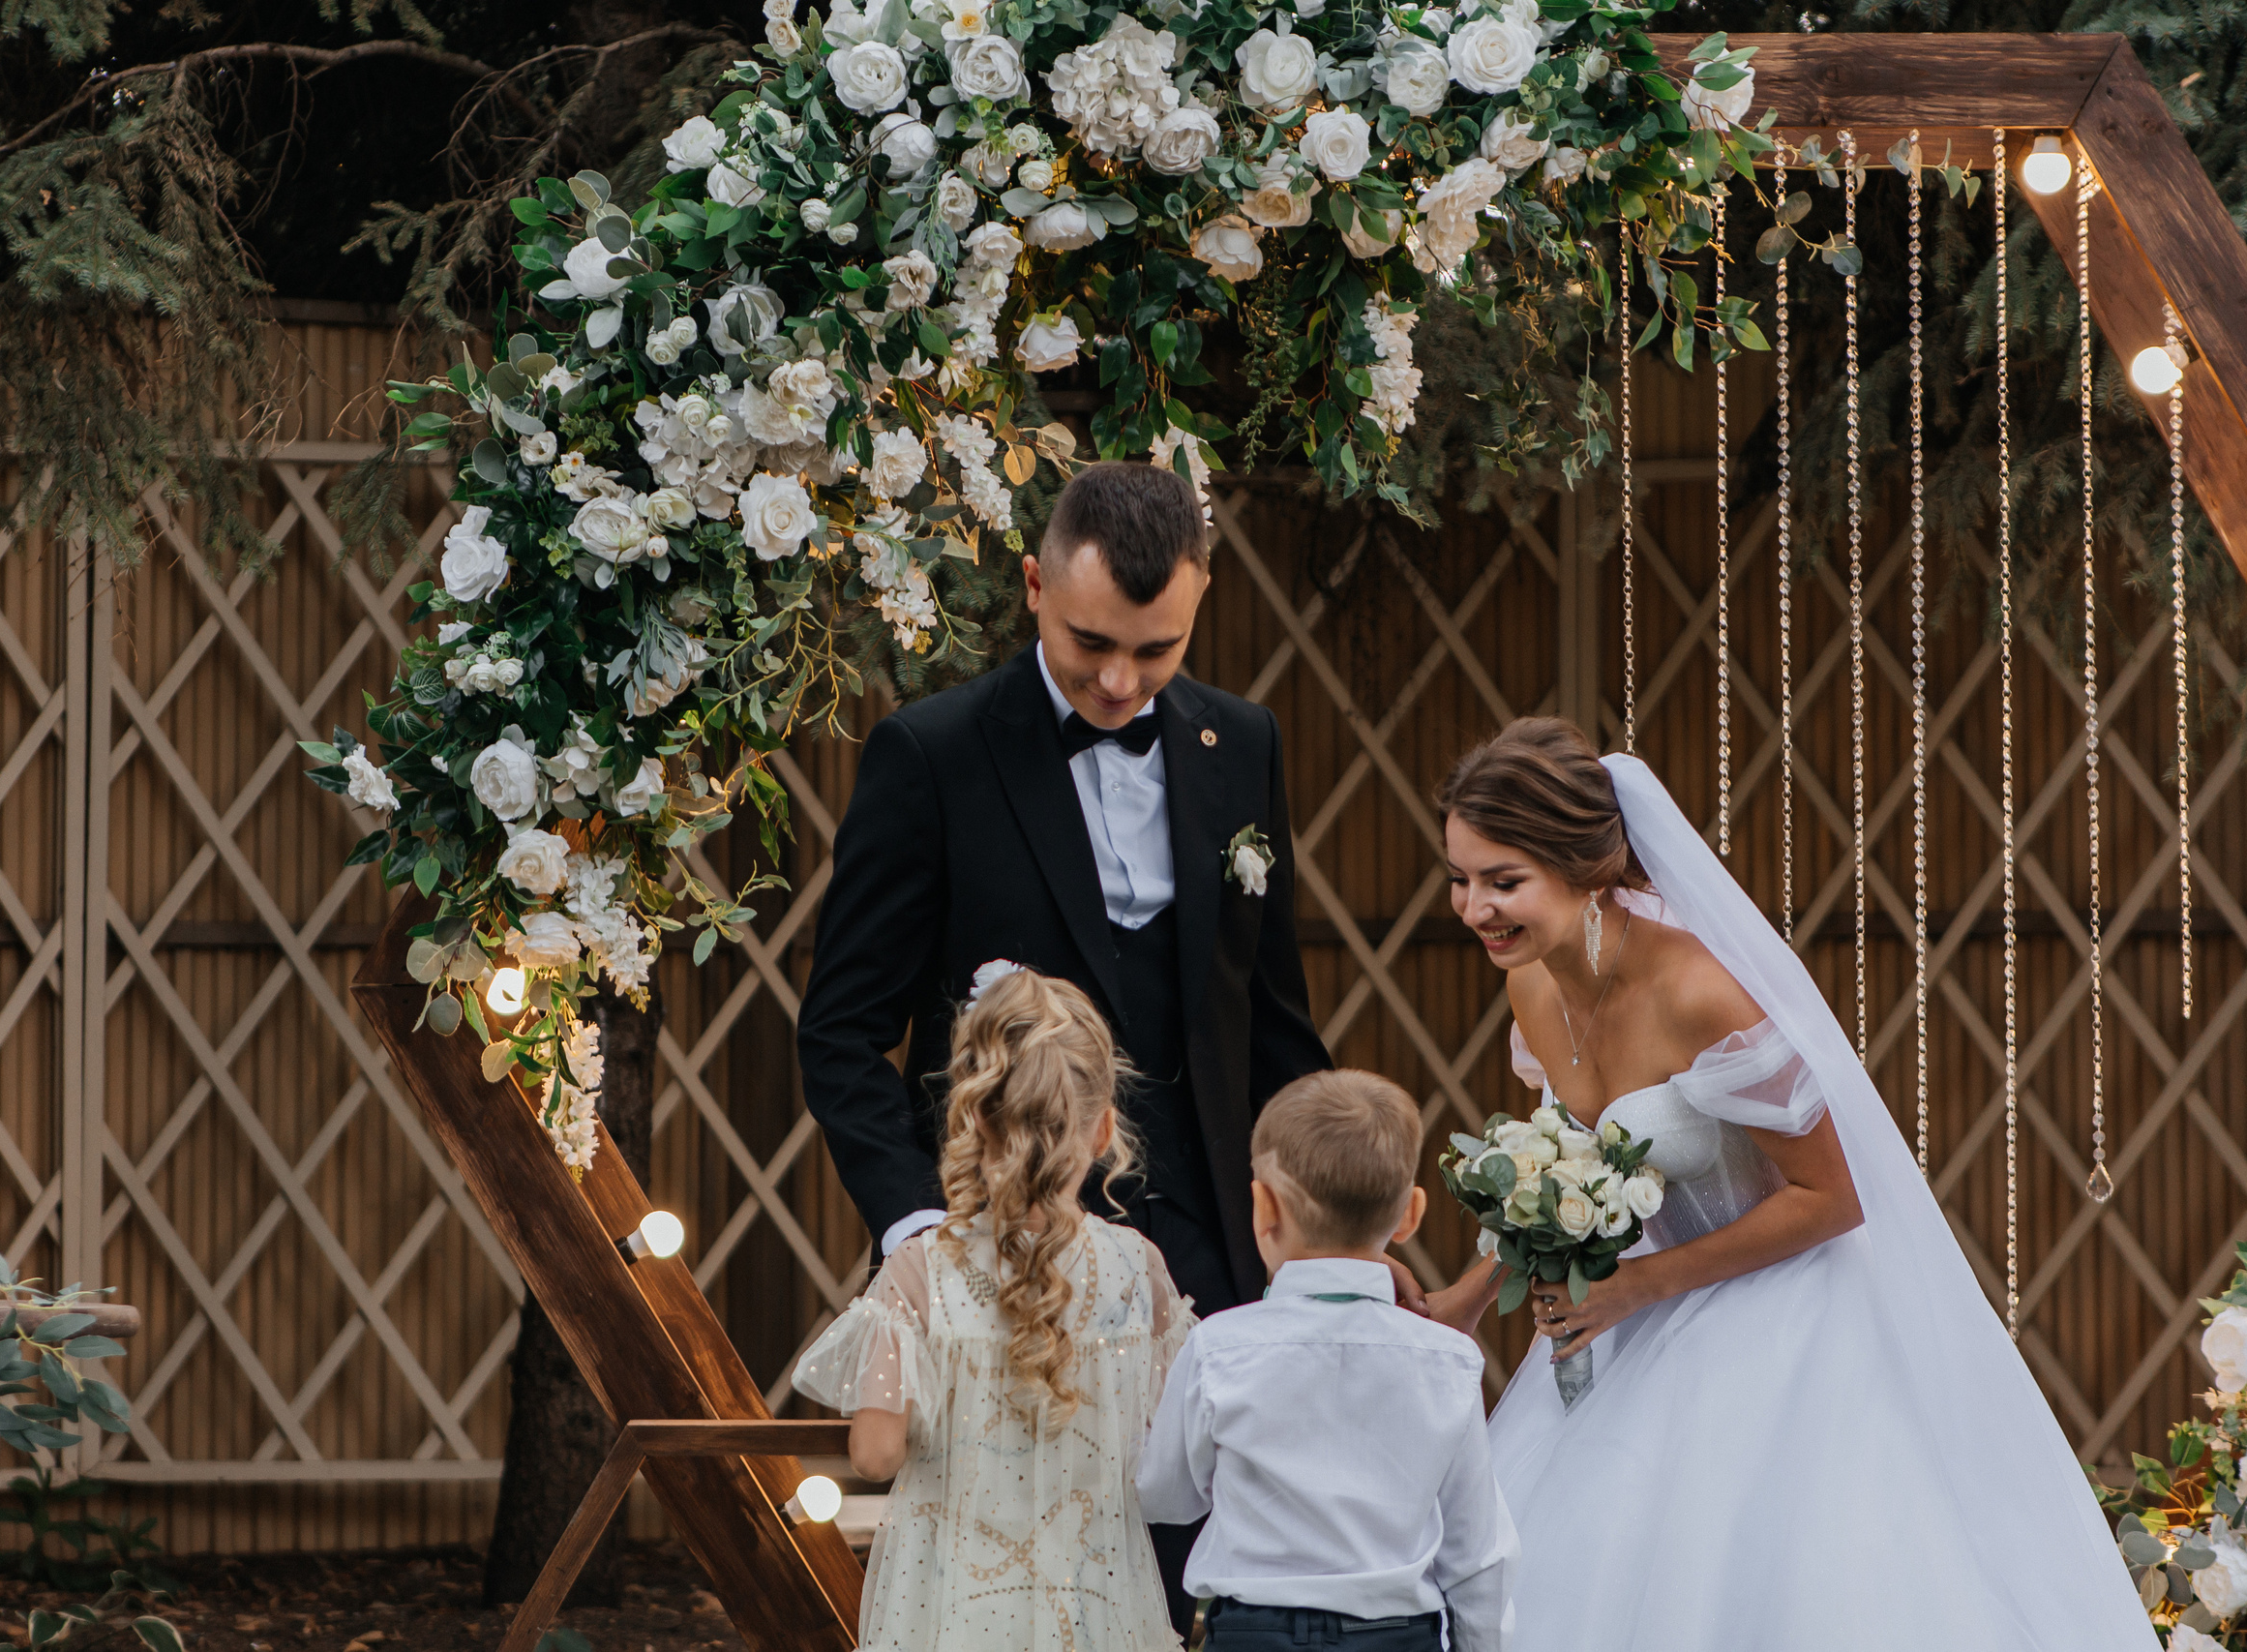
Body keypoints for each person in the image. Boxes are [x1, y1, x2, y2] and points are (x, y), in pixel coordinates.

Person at [1417, 717, 2154, 1651]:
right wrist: (1470, 1298)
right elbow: (1569, 1161)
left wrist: (1640, 1282)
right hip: (1633, 1322)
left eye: (1503, 881)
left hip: (1785, 1315)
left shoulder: (1702, 993)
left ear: (1586, 865)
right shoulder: (1532, 981)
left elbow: (1834, 1197)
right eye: (1461, 878)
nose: (1475, 907)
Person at [796, 460, 1332, 1629]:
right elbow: (841, 1032)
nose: (1119, 678)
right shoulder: (931, 754)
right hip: (1003, 1260)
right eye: (1093, 642)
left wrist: (1332, 1231)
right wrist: (922, 1234)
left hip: (1205, 1263)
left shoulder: (1240, 745)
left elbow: (1274, 1019)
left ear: (1198, 603)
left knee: (1209, 1592)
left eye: (1157, 651)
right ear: (1034, 585)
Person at [792, 967, 1191, 1651]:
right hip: (1100, 1612)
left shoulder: (920, 1273)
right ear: (1102, 1130)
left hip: (955, 1613)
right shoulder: (1139, 1274)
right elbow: (1167, 1459)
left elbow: (877, 1452)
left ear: (974, 1115)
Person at [1139, 1070, 1515, 1652]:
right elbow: (1477, 1555)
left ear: (1263, 1208)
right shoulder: (1449, 1360)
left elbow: (1165, 1495)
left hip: (1251, 1634)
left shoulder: (1220, 1347)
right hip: (1396, 1638)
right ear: (1411, 1214)